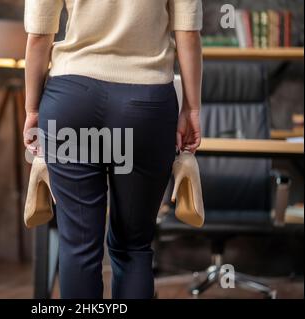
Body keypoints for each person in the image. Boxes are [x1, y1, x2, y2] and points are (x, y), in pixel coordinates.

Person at [23, 0, 203, 299]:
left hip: (71, 100)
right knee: (134, 245)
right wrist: (192, 108)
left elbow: (40, 36)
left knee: (78, 245)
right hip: (146, 103)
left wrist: (31, 108)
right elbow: (188, 34)